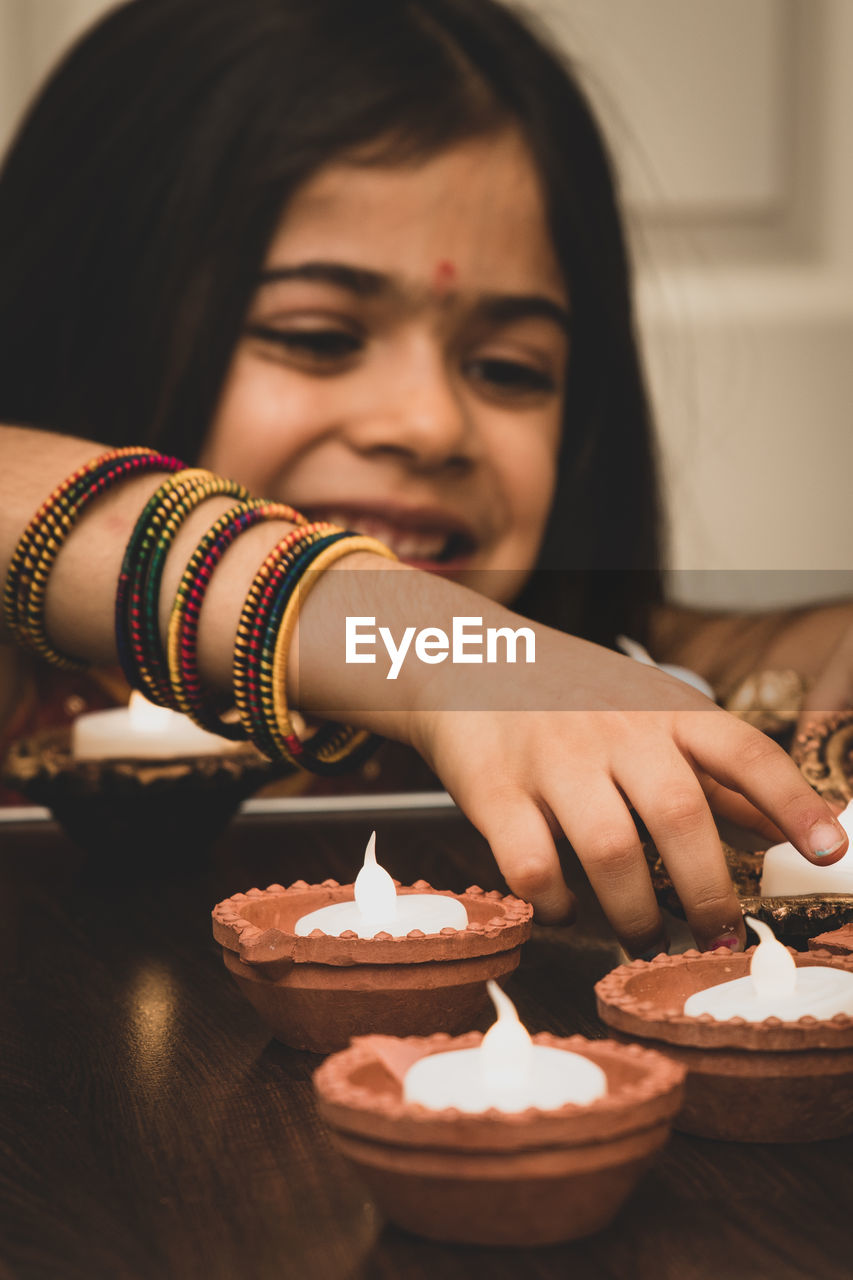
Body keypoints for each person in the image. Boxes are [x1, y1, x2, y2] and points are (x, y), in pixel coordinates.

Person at [0, 0, 850, 957]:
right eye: (318, 337)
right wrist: (448, 654)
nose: (431, 425)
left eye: (509, 369)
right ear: (88, 326)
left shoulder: (645, 693)